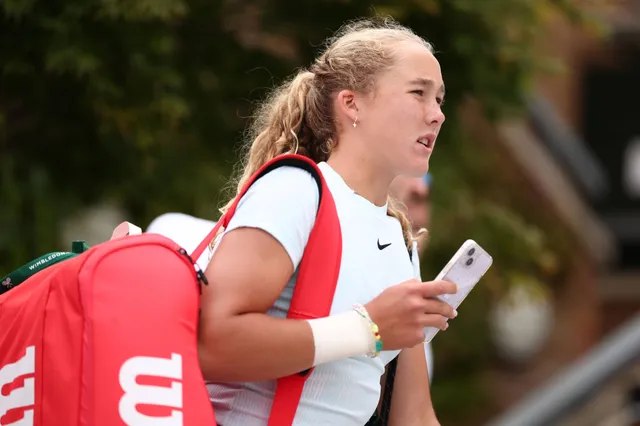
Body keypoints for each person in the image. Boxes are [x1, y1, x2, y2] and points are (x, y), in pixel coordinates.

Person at [196, 17, 456, 426]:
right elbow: (211, 344)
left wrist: (373, 328)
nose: (437, 115)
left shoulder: (399, 239)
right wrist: (366, 328)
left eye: (439, 99)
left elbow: (415, 416)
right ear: (352, 103)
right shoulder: (296, 192)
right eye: (418, 93)